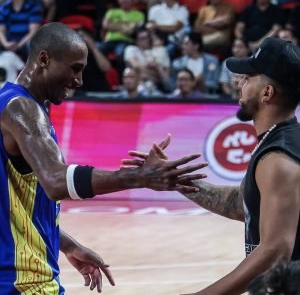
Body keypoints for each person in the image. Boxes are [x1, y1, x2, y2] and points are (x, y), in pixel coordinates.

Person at [0, 22, 208, 293]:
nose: (79, 80)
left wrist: (68, 244)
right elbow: (55, 181)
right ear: (43, 59)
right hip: (24, 283)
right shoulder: (23, 109)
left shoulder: (9, 101)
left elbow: (17, 206)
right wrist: (138, 176)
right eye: (75, 68)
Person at [125, 37, 300, 294]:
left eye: (249, 77)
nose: (240, 82)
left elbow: (274, 251)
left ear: (267, 93)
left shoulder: (278, 158)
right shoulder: (278, 142)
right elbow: (241, 205)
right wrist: (177, 179)